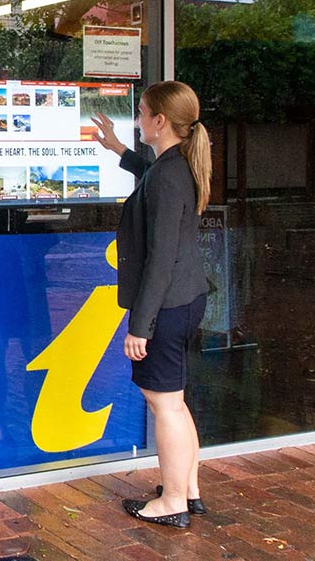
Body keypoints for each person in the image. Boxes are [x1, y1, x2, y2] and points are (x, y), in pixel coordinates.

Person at [92, 81, 211, 530]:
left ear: (160, 121)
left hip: (167, 305)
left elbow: (160, 258)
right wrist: (119, 148)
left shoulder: (168, 174)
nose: (138, 117)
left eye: (141, 112)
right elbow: (149, 175)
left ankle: (173, 501)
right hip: (185, 298)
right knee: (175, 402)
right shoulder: (176, 164)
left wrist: (139, 326)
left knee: (164, 404)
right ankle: (189, 490)